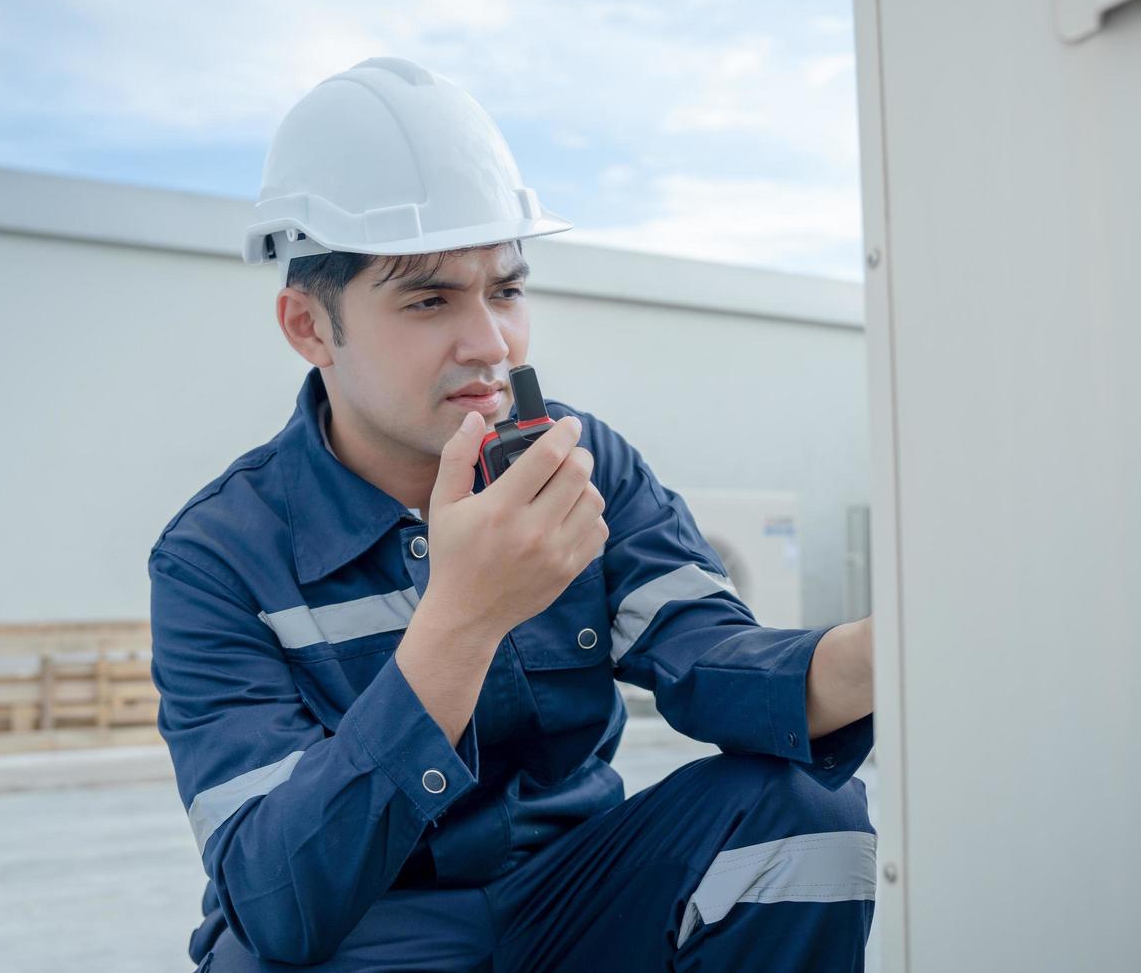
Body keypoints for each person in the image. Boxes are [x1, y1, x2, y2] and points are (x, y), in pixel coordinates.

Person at [149, 57, 877, 972]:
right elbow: (280, 899)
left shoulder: (580, 464)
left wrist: (886, 652)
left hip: (570, 899)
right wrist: (465, 615)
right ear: (308, 326)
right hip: (363, 931)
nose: (491, 343)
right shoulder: (217, 555)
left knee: (799, 821)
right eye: (428, 299)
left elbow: (715, 659)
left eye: (506, 289)